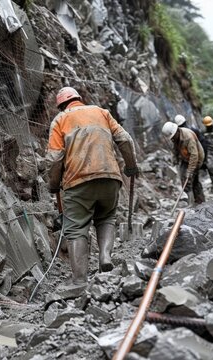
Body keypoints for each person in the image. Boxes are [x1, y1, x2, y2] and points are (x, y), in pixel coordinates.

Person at [46, 87, 138, 290]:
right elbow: (125, 140)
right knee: (106, 217)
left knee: (76, 227)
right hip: (110, 177)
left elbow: (55, 159)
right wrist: (131, 166)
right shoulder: (101, 112)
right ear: (80, 99)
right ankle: (105, 256)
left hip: (78, 181)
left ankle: (79, 280)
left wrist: (53, 184)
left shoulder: (60, 120)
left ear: (61, 105)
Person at [162, 122, 205, 205]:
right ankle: (191, 201)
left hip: (196, 158)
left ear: (177, 131)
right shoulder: (175, 137)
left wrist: (190, 171)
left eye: (173, 137)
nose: (172, 139)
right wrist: (174, 160)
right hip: (185, 158)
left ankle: (199, 202)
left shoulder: (188, 137)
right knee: (184, 179)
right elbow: (175, 149)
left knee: (192, 179)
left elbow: (194, 155)